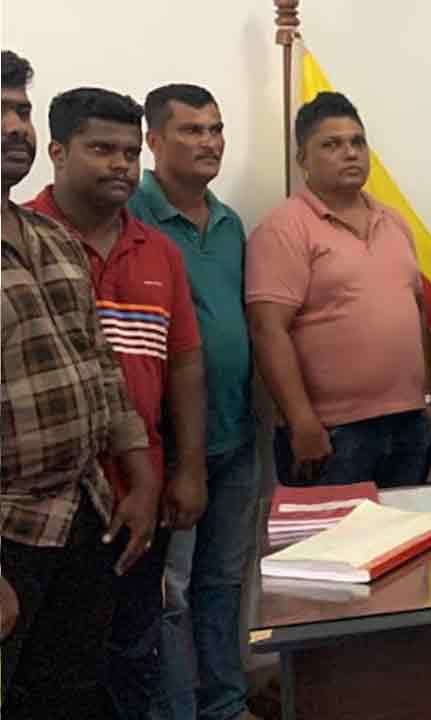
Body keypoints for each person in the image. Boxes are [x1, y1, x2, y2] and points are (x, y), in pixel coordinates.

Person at [1, 50, 159, 719]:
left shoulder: (53, 240)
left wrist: (142, 482)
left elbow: (100, 367)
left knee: (70, 695)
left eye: (22, 110)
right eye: (1, 111)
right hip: (9, 527)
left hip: (81, 512)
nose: (16, 126)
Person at [128, 83, 260, 720]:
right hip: (169, 448)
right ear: (154, 141)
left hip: (234, 437)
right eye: (192, 130)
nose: (210, 142)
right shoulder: (130, 217)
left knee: (225, 584)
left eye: (216, 129)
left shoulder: (230, 223)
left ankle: (227, 706)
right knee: (170, 594)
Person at [247, 91, 431, 487]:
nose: (350, 153)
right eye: (331, 145)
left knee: (409, 528)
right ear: (303, 160)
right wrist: (301, 422)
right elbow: (267, 330)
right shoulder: (284, 228)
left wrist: (427, 401)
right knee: (336, 531)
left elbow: (416, 311)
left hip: (408, 423)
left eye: (357, 142)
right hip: (332, 433)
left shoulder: (394, 222)